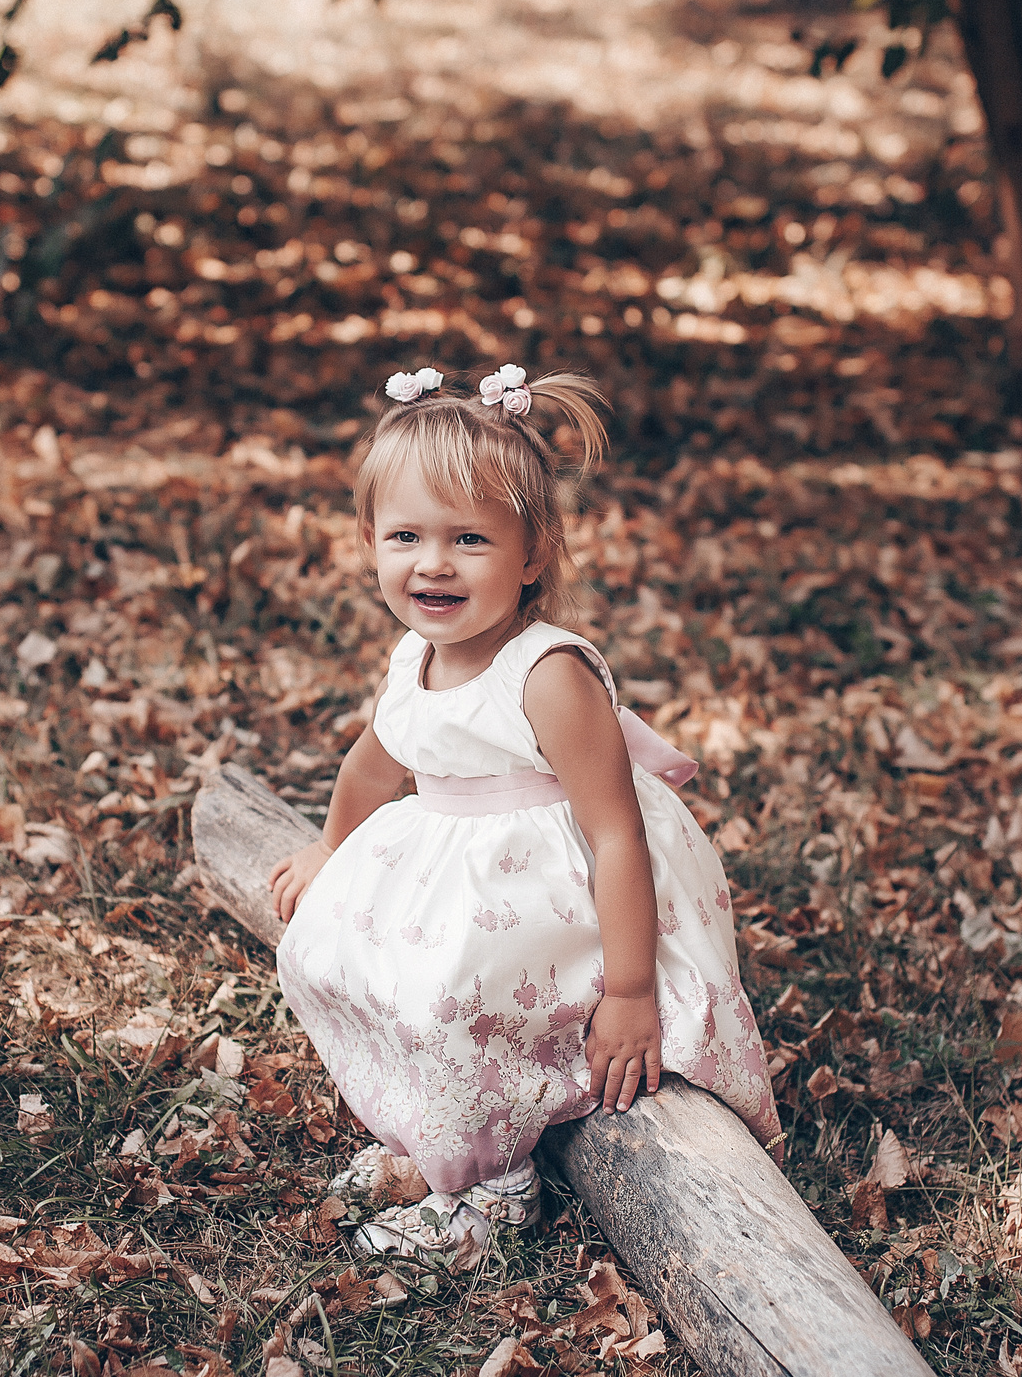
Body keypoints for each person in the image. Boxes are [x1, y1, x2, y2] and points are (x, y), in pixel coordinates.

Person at [267, 362, 781, 1261]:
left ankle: (493, 1188)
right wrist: (329, 847)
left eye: (470, 538)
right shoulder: (415, 656)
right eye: (405, 536)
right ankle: (428, 1138)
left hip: (562, 891)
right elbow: (375, 757)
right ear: (368, 540)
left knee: (454, 1000)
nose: (433, 562)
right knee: (346, 958)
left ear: (532, 552)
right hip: (461, 872)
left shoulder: (547, 674)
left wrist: (629, 993)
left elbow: (616, 831)